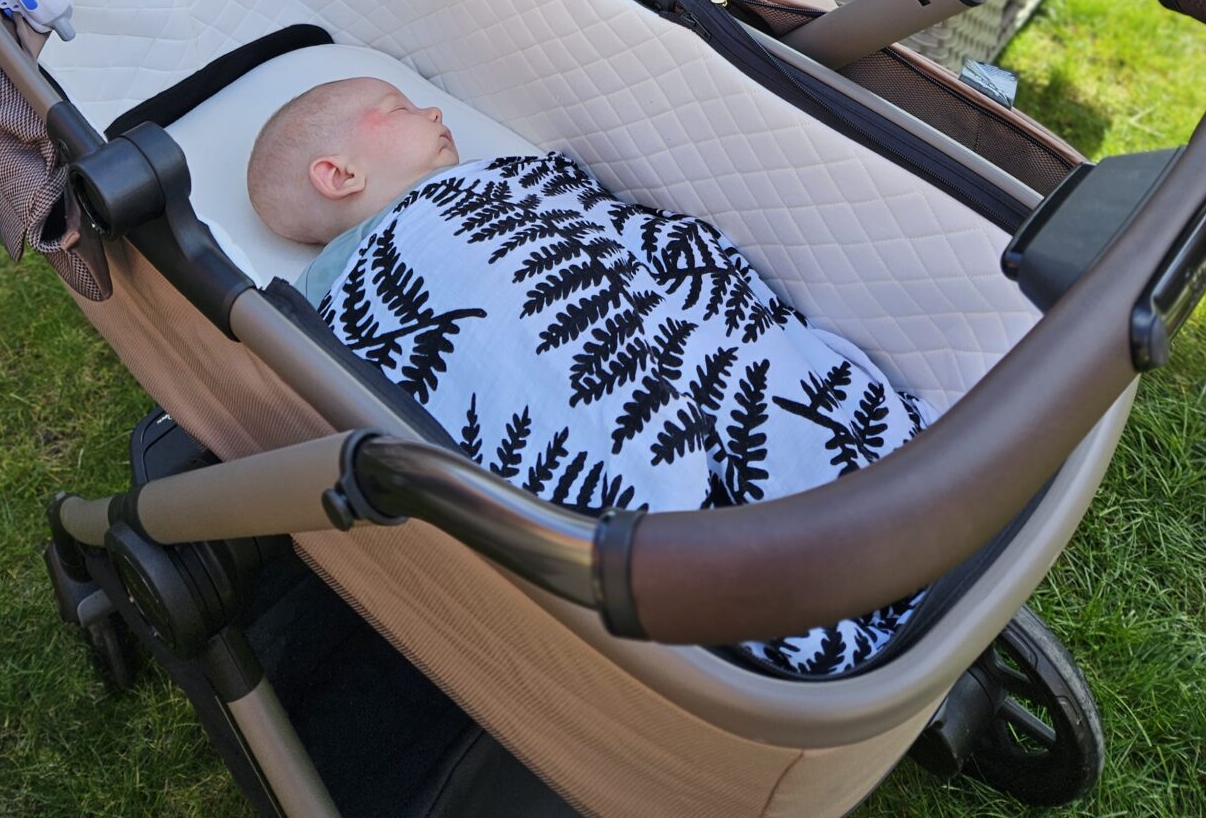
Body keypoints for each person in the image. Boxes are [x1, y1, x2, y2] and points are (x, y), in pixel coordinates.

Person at [248, 76, 932, 677]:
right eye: (398, 106)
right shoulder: (345, 288)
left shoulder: (500, 181)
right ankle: (816, 557)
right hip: (568, 380)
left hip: (654, 320)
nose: (431, 110)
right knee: (622, 436)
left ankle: (855, 488)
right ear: (339, 175)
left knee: (740, 368)